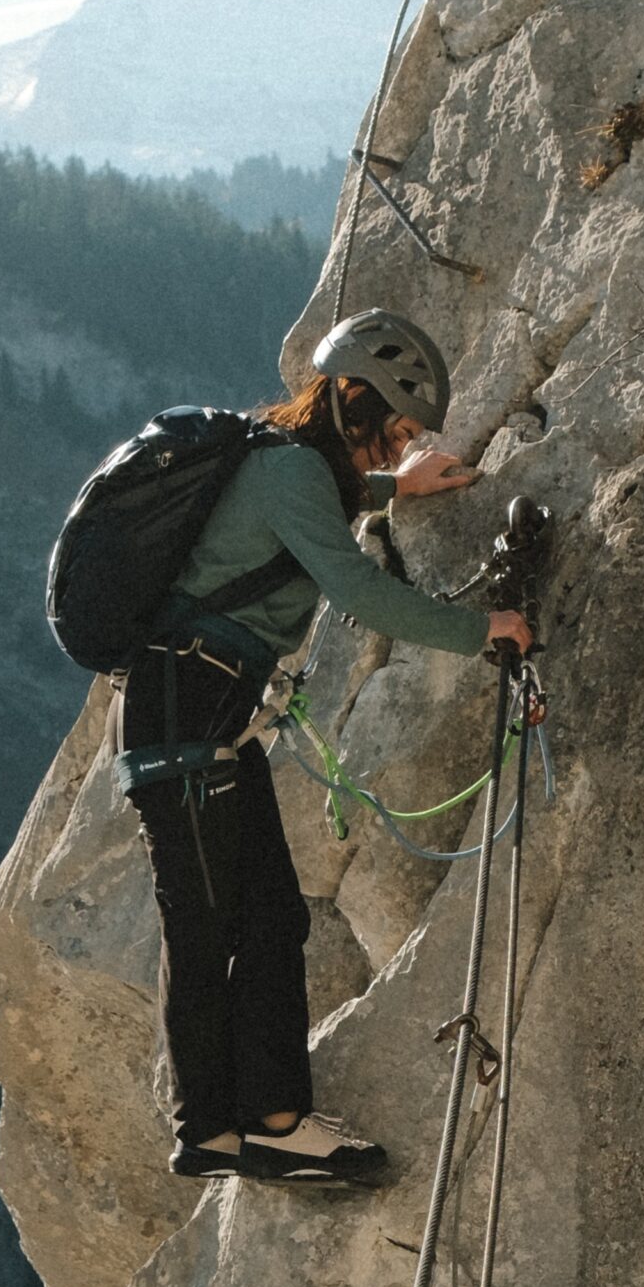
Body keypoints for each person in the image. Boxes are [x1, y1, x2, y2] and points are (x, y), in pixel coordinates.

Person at [114, 308, 532, 1187]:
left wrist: (397, 489)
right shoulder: (292, 470)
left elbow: (308, 519)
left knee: (267, 917)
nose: (398, 444)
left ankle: (266, 1122)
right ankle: (219, 1131)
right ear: (351, 395)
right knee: (206, 929)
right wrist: (481, 627)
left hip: (199, 718)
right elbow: (358, 592)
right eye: (397, 427)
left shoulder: (287, 466)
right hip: (188, 719)